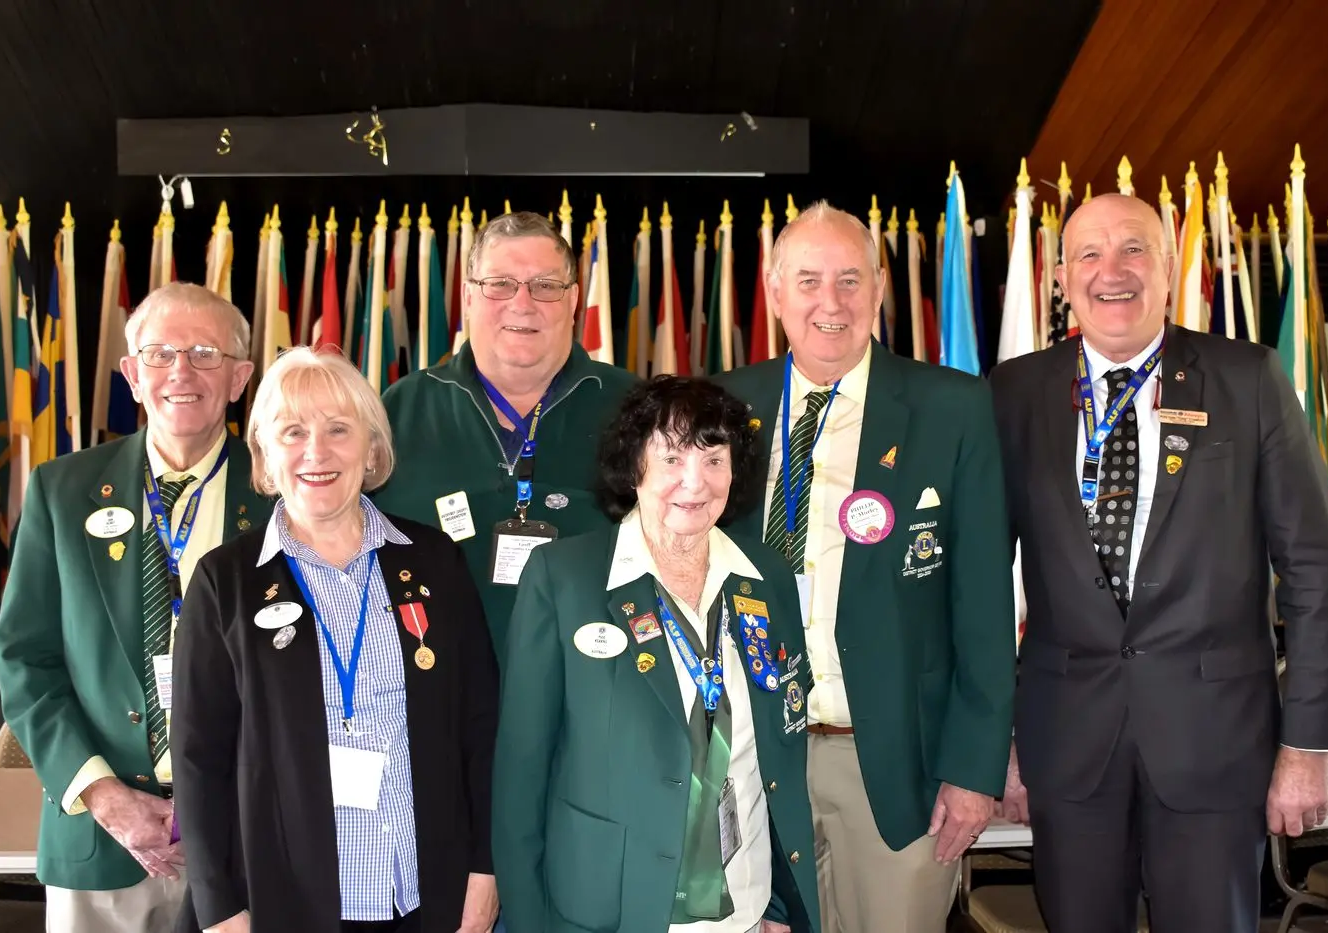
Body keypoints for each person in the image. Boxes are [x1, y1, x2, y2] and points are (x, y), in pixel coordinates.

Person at [990, 193, 1328, 933]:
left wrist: (1307, 744)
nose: (1109, 271)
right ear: (1060, 276)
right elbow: (978, 585)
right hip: (1066, 745)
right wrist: (995, 742)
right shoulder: (1012, 393)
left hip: (1216, 742)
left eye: (1132, 249)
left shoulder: (1247, 377)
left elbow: (1313, 567)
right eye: (1088, 253)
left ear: (1167, 266)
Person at [718, 202, 1015, 933]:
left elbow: (982, 603)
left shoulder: (952, 406)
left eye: (850, 280)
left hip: (896, 768)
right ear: (775, 291)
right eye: (810, 280)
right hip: (758, 760)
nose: (830, 302)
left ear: (879, 290)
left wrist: (975, 771)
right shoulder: (722, 406)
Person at [170, 347, 499, 933]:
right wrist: (219, 907)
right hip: (283, 900)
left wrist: (485, 868)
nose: (316, 452)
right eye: (292, 432)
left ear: (372, 450)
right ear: (266, 459)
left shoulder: (434, 562)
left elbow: (480, 726)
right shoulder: (227, 582)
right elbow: (199, 760)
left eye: (338, 429)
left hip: (427, 892)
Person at [493, 376, 820, 933]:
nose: (694, 482)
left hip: (743, 903)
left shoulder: (767, 577)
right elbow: (522, 772)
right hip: (610, 905)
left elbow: (778, 747)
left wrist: (775, 903)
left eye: (714, 458)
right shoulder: (564, 579)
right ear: (634, 464)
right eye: (671, 457)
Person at [0, 282, 267, 933]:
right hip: (102, 840)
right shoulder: (62, 491)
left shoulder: (281, 497)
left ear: (239, 377)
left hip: (249, 839)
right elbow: (25, 660)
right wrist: (105, 797)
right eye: (160, 352)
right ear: (131, 374)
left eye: (204, 352)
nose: (181, 371)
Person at [377, 211, 637, 659]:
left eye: (545, 286)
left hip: (591, 701)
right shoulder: (400, 410)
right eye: (499, 283)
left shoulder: (637, 410)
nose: (522, 303)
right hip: (435, 695)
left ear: (573, 299)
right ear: (468, 296)